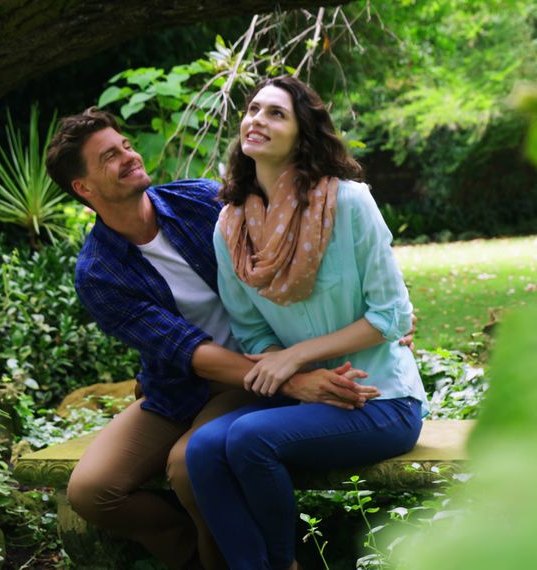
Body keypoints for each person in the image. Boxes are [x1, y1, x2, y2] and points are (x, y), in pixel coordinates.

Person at [43, 108, 389, 570]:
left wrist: (381, 314)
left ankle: (231, 558)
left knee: (190, 465)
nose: (129, 156)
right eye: (110, 156)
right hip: (182, 385)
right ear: (83, 188)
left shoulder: (203, 202)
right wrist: (292, 383)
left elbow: (305, 244)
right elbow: (186, 351)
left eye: (125, 145)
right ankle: (188, 547)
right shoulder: (100, 272)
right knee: (91, 491)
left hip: (259, 364)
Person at [185, 76, 429, 570]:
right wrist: (302, 381)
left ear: (304, 134)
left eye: (277, 114)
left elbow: (391, 316)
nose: (258, 119)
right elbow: (252, 331)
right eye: (253, 109)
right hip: (305, 398)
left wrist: (296, 356)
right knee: (204, 449)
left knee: (250, 440)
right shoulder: (230, 225)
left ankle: (286, 563)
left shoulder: (348, 202)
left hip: (378, 398)